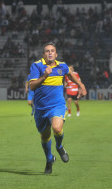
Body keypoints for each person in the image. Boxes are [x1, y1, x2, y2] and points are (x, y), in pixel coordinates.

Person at [29, 42, 87, 174]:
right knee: (45, 136)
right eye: (47, 51)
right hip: (41, 108)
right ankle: (49, 159)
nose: (50, 53)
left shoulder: (62, 66)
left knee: (56, 127)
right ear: (43, 54)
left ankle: (60, 147)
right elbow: (32, 86)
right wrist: (44, 76)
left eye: (52, 51)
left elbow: (70, 74)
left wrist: (81, 85)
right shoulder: (37, 66)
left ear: (56, 54)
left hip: (57, 105)